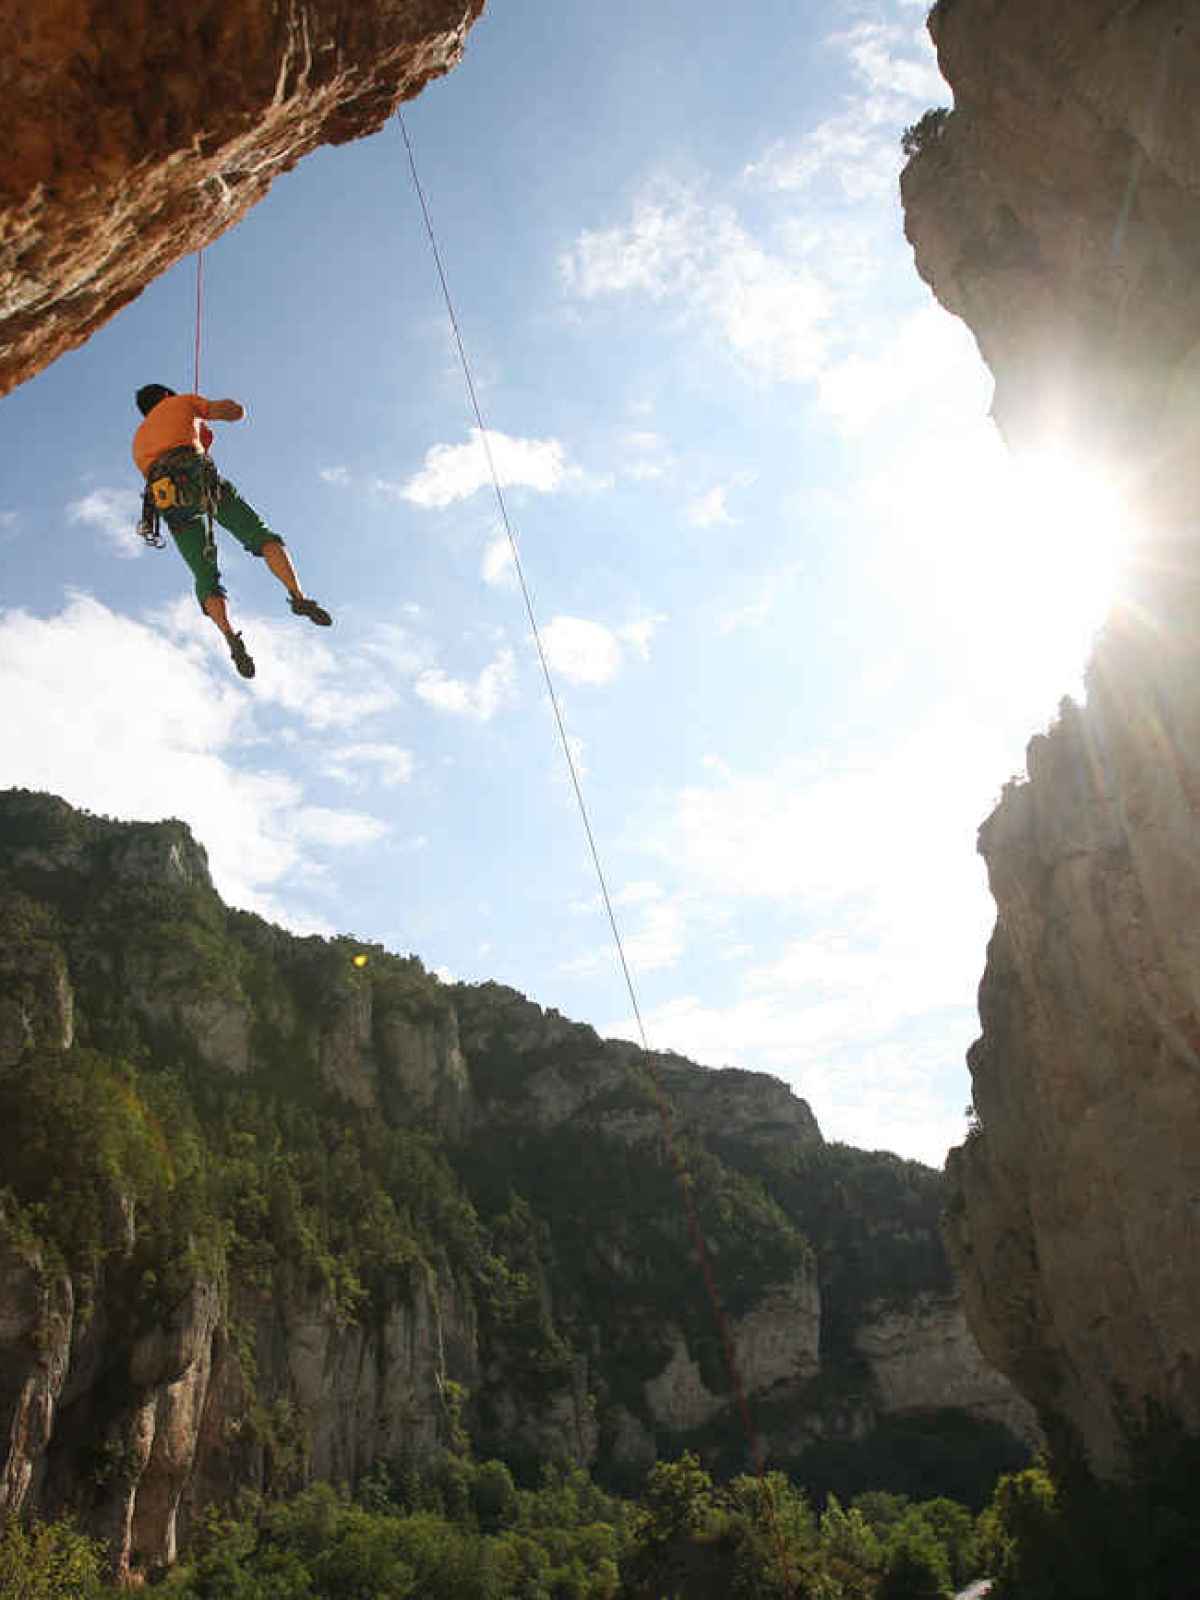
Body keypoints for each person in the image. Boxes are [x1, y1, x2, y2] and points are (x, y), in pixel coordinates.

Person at [132, 384, 332, 679]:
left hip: (167, 500)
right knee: (261, 536)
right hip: (199, 478)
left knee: (205, 576)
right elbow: (234, 413)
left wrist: (198, 435)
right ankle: (298, 596)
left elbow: (169, 450)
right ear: (165, 396)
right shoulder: (181, 402)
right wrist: (207, 413)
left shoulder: (137, 440)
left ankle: (229, 634)